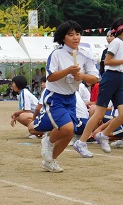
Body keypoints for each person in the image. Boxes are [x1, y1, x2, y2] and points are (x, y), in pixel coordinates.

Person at [35, 20, 99, 172]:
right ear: (63, 38)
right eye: (71, 35)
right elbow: (50, 77)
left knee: (69, 133)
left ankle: (50, 161)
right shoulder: (57, 54)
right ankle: (48, 142)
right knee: (67, 128)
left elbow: (95, 79)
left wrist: (81, 76)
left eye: (78, 34)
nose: (76, 38)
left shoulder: (85, 55)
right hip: (55, 96)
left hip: (71, 97)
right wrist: (68, 70)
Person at [74, 16, 123, 157]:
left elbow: (120, 63)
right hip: (110, 78)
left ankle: (103, 135)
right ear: (122, 29)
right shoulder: (116, 43)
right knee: (99, 113)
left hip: (119, 79)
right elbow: (107, 61)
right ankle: (81, 142)